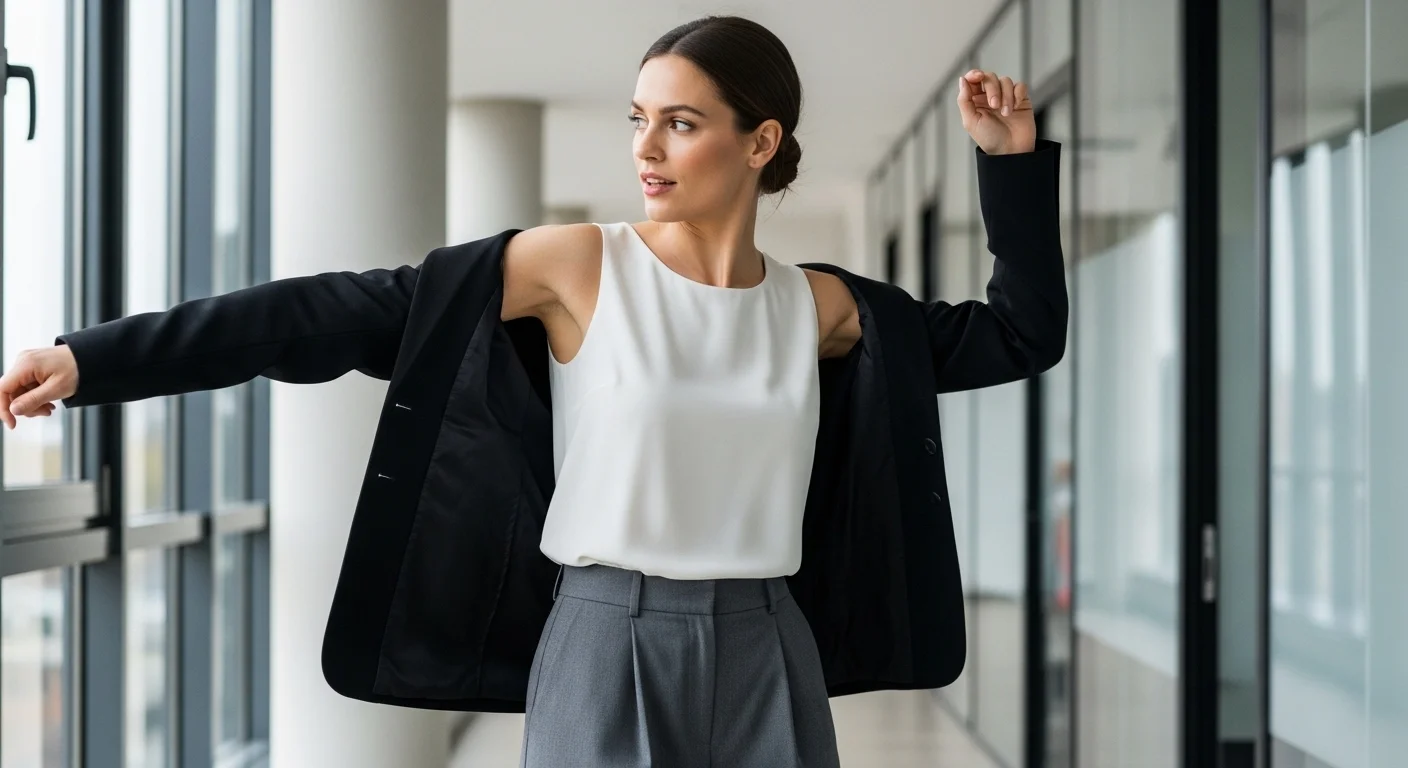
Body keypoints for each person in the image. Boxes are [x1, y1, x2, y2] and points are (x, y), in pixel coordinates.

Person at [0, 15, 1065, 768]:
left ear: (761, 141)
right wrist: (99, 359)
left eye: (682, 122)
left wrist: (1009, 165)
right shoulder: (578, 266)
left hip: (768, 642)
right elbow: (336, 309)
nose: (645, 147)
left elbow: (1019, 334)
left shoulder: (823, 308)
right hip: (608, 636)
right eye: (638, 117)